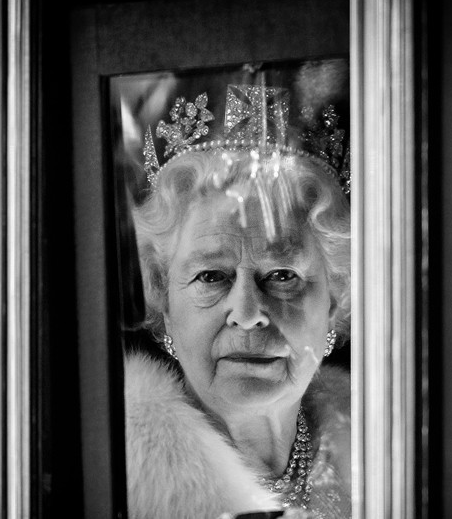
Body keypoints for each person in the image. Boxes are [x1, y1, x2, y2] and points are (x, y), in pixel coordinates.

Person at [123, 86, 352, 519]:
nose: (248, 314)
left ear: (335, 302)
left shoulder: (386, 454)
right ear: (164, 301)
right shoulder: (115, 480)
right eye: (211, 276)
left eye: (282, 276)